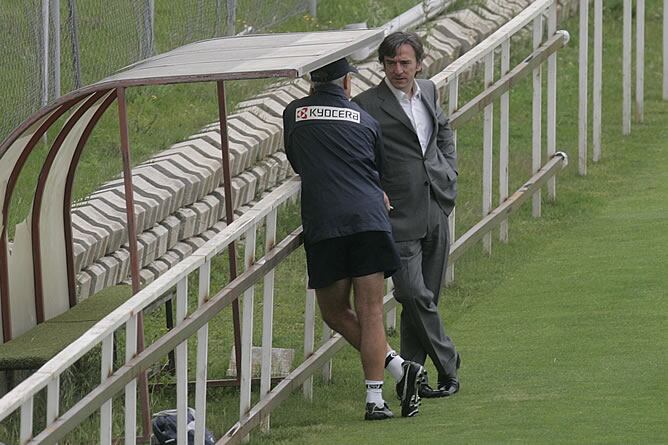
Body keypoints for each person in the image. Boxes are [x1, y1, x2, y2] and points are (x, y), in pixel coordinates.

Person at [282, 58, 427, 420]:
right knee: (373, 312)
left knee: (334, 312)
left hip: (326, 222)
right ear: (346, 83)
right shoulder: (366, 118)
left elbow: (298, 163)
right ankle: (379, 394)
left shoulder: (294, 113)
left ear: (313, 84)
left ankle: (396, 369)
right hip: (370, 220)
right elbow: (376, 169)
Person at [353, 32, 461, 399]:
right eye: (390, 63)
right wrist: (375, 189)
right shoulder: (365, 104)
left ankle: (410, 378)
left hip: (436, 203)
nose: (398, 70)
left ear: (419, 63)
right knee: (412, 294)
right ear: (381, 65)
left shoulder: (429, 89)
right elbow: (359, 157)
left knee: (428, 294)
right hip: (396, 214)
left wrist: (450, 171)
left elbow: (442, 131)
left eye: (405, 63)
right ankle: (448, 362)